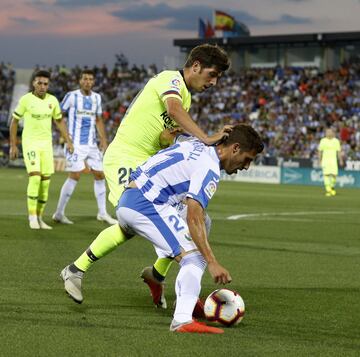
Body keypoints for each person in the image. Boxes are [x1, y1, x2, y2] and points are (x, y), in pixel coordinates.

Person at [66, 44, 231, 310]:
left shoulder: (185, 97)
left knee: (187, 220)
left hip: (148, 164)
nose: (213, 82)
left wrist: (168, 139)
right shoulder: (170, 79)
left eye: (218, 78)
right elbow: (174, 110)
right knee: (129, 219)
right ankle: (75, 269)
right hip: (125, 156)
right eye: (212, 74)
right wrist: (206, 137)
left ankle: (157, 274)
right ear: (196, 66)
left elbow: (165, 134)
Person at [60, 124, 264, 334]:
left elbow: (171, 136)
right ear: (235, 148)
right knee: (194, 257)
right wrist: (212, 262)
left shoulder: (199, 143)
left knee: (205, 221)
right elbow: (193, 217)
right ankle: (182, 320)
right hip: (146, 204)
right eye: (247, 159)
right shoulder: (209, 168)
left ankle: (179, 291)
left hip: (140, 196)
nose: (247, 166)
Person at [9, 70, 74, 230]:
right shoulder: (26, 100)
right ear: (34, 83)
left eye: (45, 83)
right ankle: (32, 217)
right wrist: (13, 144)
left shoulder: (52, 101)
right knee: (35, 178)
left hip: (46, 145)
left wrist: (69, 141)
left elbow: (59, 121)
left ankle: (39, 218)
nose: (42, 86)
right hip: (30, 143)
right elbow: (14, 121)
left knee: (45, 183)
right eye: (39, 83)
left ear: (48, 85)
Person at [52, 69, 117, 225]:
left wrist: (103, 139)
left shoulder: (97, 98)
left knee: (100, 175)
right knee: (75, 175)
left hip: (91, 144)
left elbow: (98, 119)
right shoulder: (72, 96)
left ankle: (102, 213)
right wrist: (67, 139)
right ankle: (59, 213)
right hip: (75, 145)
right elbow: (58, 117)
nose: (88, 81)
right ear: (80, 81)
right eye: (85, 79)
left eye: (90, 79)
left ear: (93, 82)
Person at [318, 128, 343, 196]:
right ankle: (328, 190)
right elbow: (320, 151)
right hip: (325, 161)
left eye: (329, 132)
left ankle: (332, 187)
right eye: (327, 132)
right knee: (326, 175)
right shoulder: (323, 141)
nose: (328, 133)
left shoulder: (336, 141)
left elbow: (339, 151)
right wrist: (319, 160)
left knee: (334, 175)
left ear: (332, 133)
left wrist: (340, 160)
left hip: (333, 161)